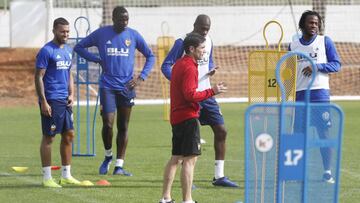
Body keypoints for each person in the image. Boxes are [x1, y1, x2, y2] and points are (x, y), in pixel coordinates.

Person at [74, 6, 155, 176]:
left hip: (127, 87)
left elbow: (150, 55)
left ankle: (119, 165)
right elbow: (79, 47)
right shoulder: (102, 33)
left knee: (123, 126)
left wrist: (141, 77)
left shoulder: (133, 35)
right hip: (108, 86)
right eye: (121, 19)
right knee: (108, 124)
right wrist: (96, 59)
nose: (124, 22)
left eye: (126, 19)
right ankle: (108, 156)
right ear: (113, 19)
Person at [161, 14, 238, 187]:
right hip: (189, 96)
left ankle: (219, 176)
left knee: (221, 130)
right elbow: (165, 65)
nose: (205, 32)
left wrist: (211, 70)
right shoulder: (182, 42)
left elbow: (207, 61)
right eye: (202, 28)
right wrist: (177, 82)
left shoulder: (208, 41)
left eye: (207, 29)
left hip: (206, 93)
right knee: (188, 139)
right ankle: (186, 179)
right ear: (194, 25)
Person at [159, 33, 227, 203]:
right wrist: (212, 91)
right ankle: (187, 200)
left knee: (176, 158)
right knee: (190, 160)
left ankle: (165, 198)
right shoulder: (189, 67)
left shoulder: (179, 65)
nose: (204, 51)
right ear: (191, 49)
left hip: (177, 117)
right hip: (188, 118)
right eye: (201, 48)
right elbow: (190, 95)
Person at [289, 10, 341, 184]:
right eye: (311, 23)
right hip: (300, 95)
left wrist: (316, 66)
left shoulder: (325, 41)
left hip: (319, 94)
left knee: (324, 134)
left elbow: (336, 64)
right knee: (298, 136)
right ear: (302, 24)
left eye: (317, 23)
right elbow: (289, 70)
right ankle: (295, 173)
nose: (314, 26)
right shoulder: (293, 44)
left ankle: (327, 172)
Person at [35, 17, 81, 188]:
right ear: (54, 30)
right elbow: (38, 77)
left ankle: (66, 175)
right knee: (49, 137)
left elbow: (69, 73)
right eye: (62, 31)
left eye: (68, 32)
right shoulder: (46, 51)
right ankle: (47, 177)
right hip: (52, 100)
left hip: (65, 100)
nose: (66, 34)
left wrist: (72, 94)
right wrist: (43, 102)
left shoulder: (68, 50)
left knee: (69, 135)